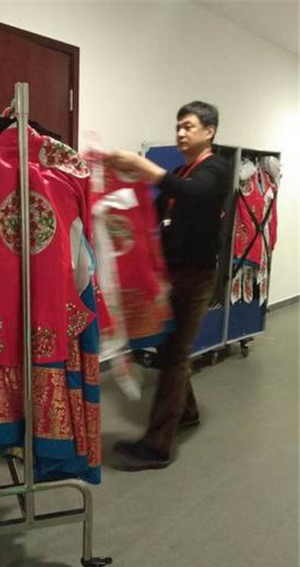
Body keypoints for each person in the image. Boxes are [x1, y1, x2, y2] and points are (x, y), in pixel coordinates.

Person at [105, 100, 232, 469]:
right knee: (168, 347)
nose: (180, 133)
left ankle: (158, 445)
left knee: (175, 353)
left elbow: (195, 194)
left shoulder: (216, 169)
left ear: (209, 131)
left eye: (188, 126)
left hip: (195, 276)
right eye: (178, 127)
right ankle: (187, 411)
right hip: (172, 273)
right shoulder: (182, 170)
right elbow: (158, 212)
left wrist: (145, 168)